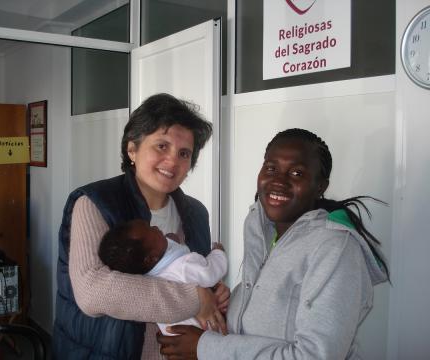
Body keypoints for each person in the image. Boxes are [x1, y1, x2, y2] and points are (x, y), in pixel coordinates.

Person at [157, 128, 390, 359]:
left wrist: (205, 348)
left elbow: (315, 355)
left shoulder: (336, 249)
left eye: (297, 173)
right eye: (271, 168)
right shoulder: (264, 232)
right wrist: (225, 306)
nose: (278, 181)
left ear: (320, 186)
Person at [52, 93, 230, 359]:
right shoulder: (95, 203)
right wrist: (195, 299)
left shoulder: (195, 213)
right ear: (132, 149)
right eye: (161, 146)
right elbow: (93, 292)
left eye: (184, 153)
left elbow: (193, 274)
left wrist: (215, 292)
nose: (173, 161)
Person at [98, 218, 228, 335]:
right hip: (208, 337)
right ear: (151, 258)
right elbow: (210, 272)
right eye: (150, 230)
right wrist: (218, 252)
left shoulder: (152, 282)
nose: (155, 227)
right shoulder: (183, 266)